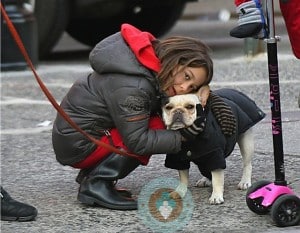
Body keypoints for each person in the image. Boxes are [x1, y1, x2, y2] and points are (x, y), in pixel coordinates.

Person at [52, 23, 215, 210]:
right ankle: (96, 184)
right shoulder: (135, 85)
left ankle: (93, 175)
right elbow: (138, 141)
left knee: (157, 121)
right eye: (186, 76)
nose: (185, 88)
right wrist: (183, 137)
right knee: (157, 127)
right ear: (174, 58)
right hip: (80, 146)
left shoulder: (143, 67)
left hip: (79, 138)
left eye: (193, 86)